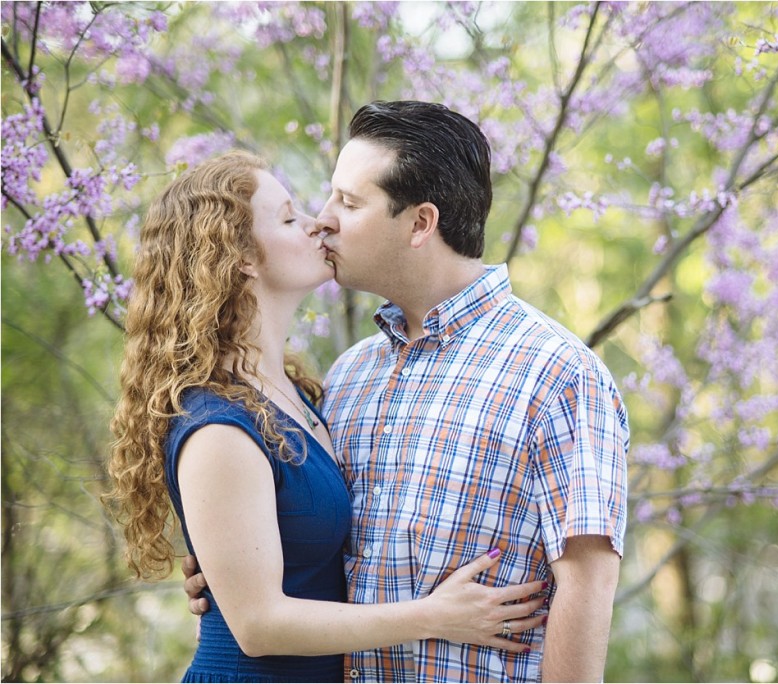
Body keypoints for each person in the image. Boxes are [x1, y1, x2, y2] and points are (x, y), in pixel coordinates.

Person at [186, 101, 630, 682]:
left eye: (348, 202)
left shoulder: (557, 373)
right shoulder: (350, 376)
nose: (323, 220)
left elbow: (587, 579)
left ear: (420, 223)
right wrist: (225, 570)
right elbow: (304, 544)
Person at [106, 150, 546, 683]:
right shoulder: (218, 425)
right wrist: (435, 616)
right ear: (240, 254)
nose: (319, 224)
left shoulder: (304, 392)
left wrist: (219, 572)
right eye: (291, 218)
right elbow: (259, 625)